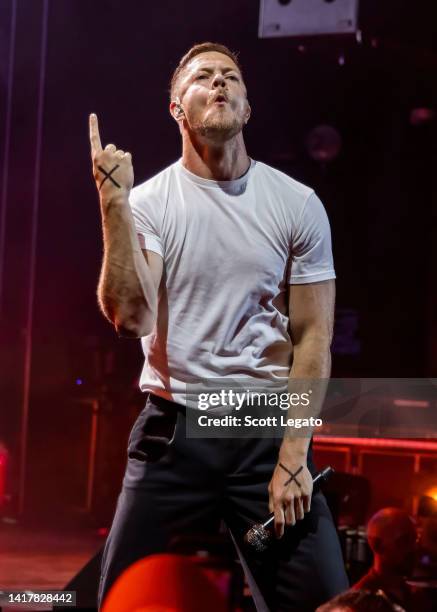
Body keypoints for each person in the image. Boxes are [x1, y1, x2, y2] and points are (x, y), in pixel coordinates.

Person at [89, 41, 348, 611]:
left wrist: (293, 457)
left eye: (231, 76)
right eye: (203, 77)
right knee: (127, 599)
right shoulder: (152, 203)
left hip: (263, 431)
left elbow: (314, 339)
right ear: (178, 109)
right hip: (175, 431)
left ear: (247, 108)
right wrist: (114, 204)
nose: (220, 83)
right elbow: (131, 317)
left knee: (327, 603)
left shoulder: (297, 204)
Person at [352, 507, 432, 611]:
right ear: (378, 545)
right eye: (404, 541)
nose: (413, 548)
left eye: (415, 540)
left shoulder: (417, 596)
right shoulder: (359, 602)